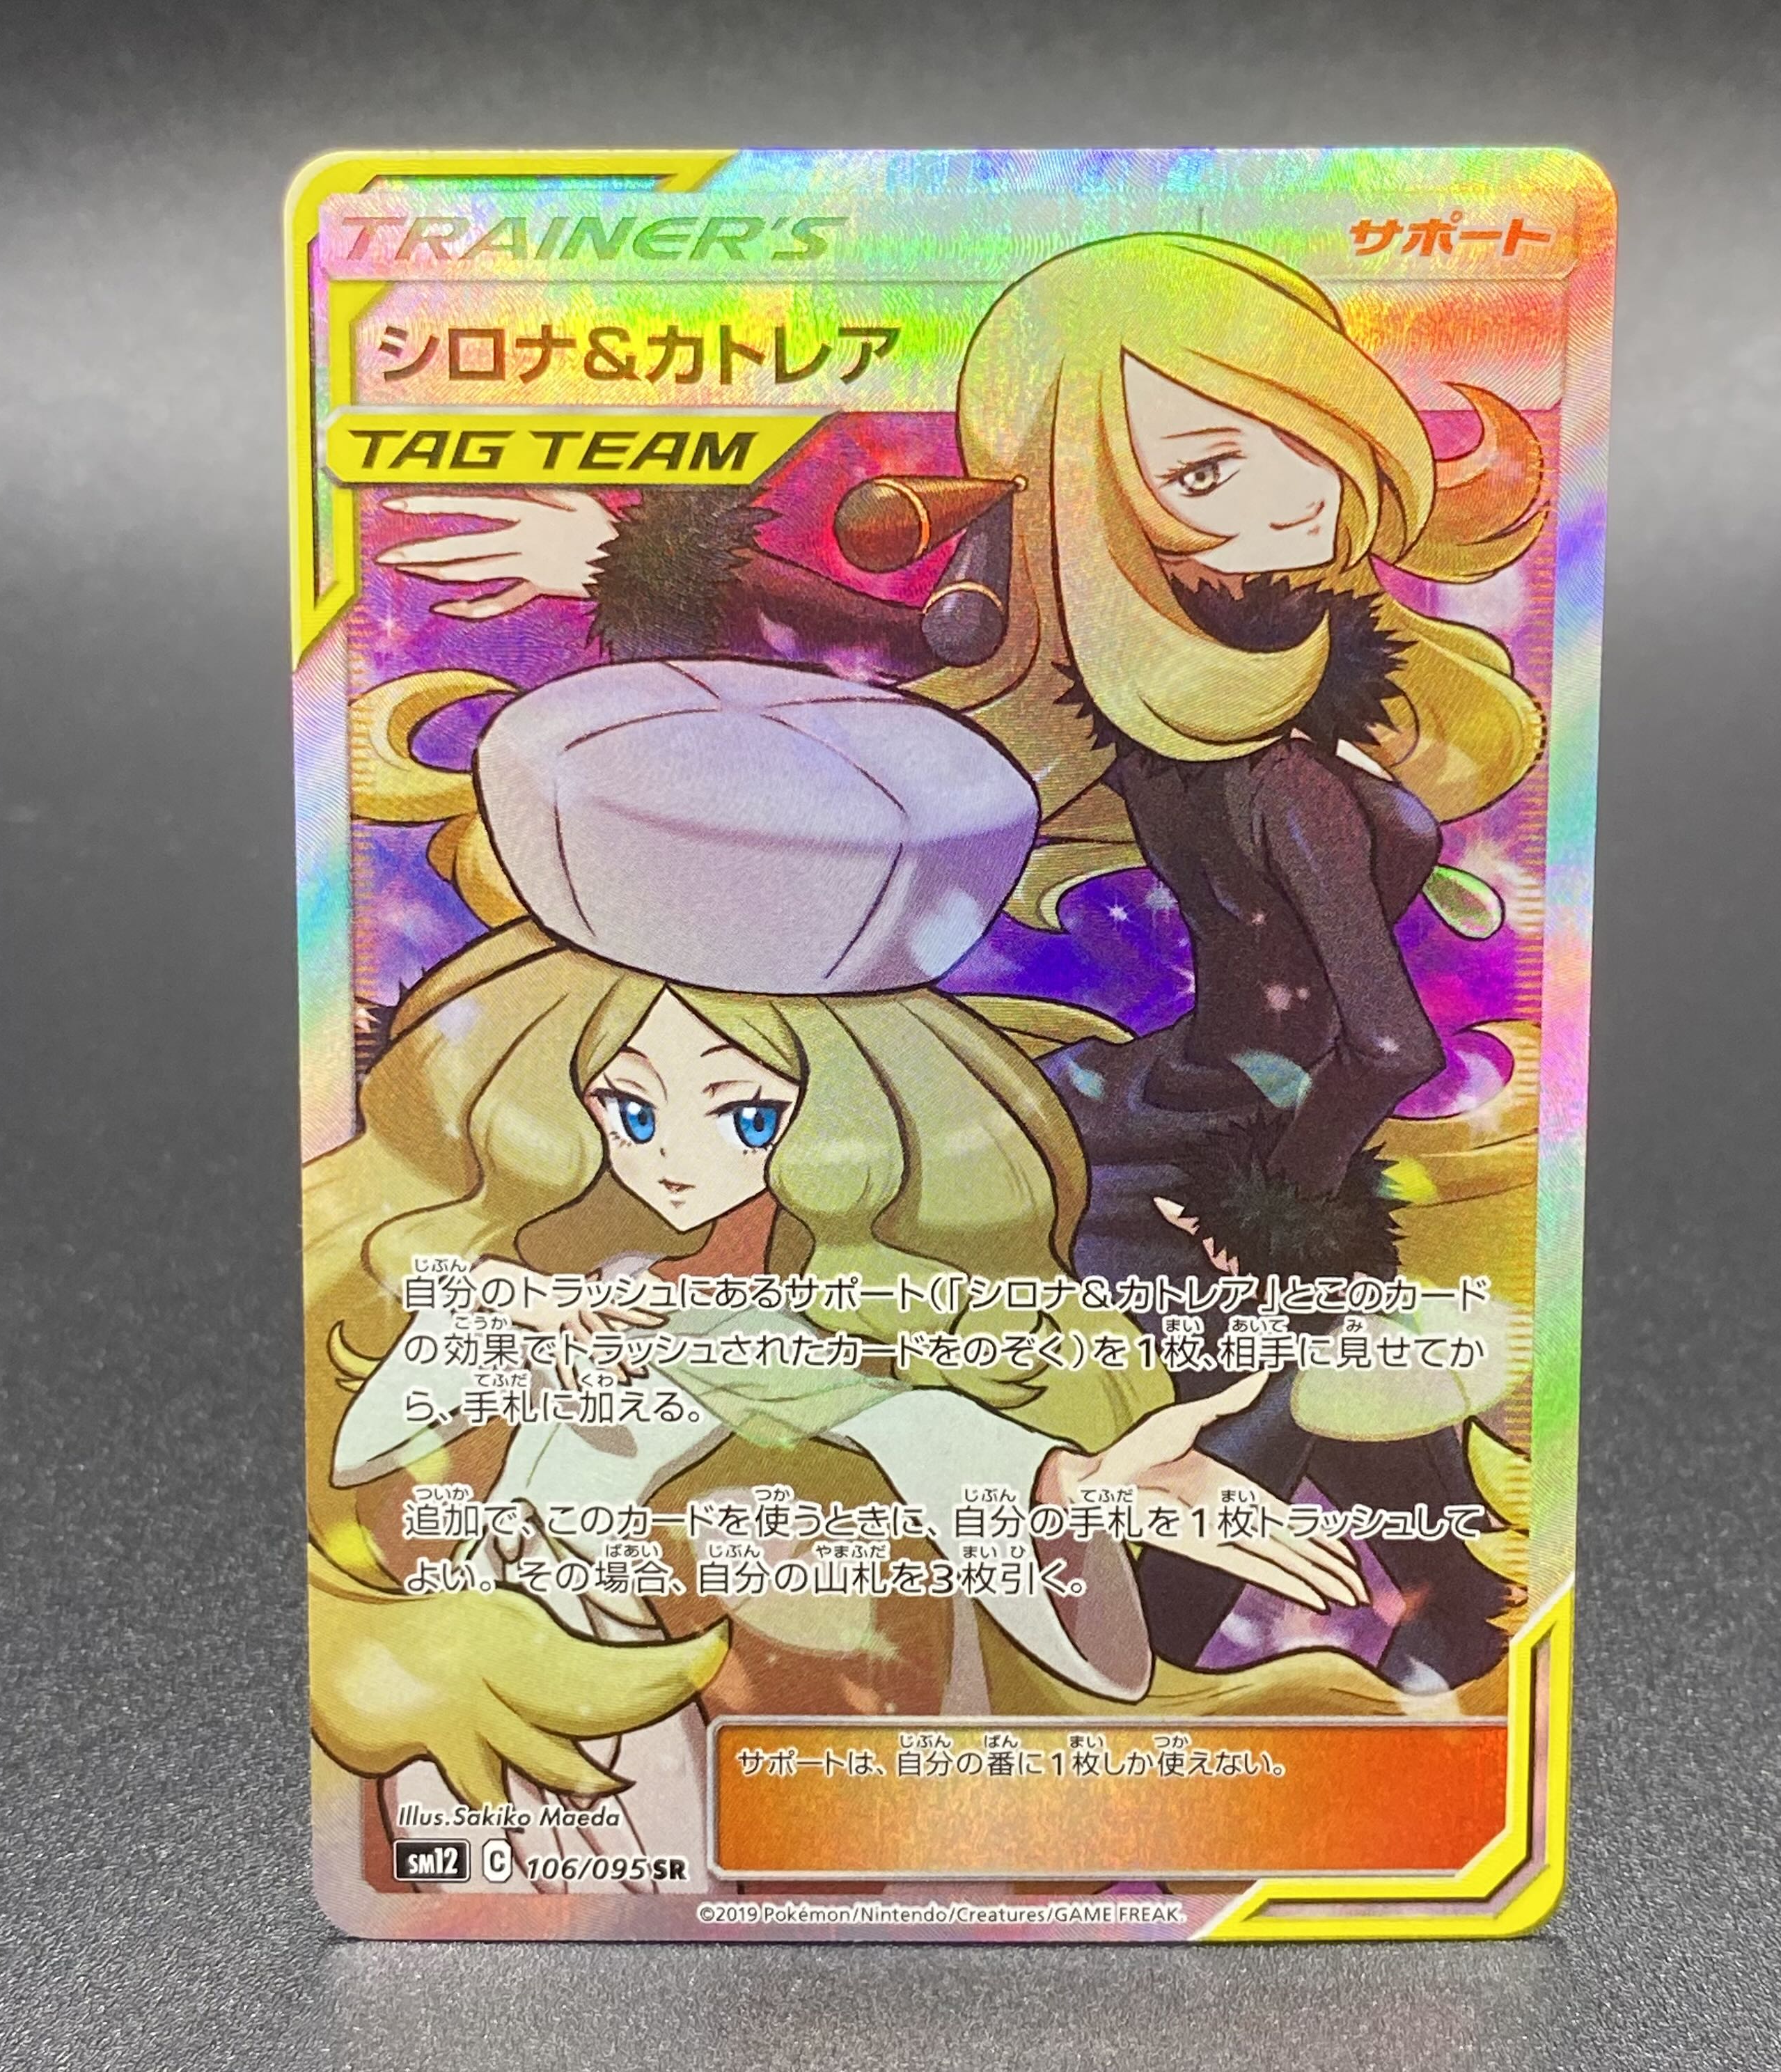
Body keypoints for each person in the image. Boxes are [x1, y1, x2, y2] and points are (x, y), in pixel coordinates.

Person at [371, 232, 1544, 1688]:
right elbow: (914, 633)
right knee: (1237, 1396)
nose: (1291, 492)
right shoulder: (1155, 693)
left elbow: (1391, 1046)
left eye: (1299, 435)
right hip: (1186, 1131)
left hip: (1243, 1149)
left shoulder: (1280, 755)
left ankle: (1396, 1630)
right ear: (1100, 505)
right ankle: (1354, 1631)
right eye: (1201, 472)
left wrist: (1285, 1211)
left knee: (1263, 1408)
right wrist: (622, 559)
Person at [311, 657, 1397, 1890]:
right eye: (629, 1108)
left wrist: (1078, 1485)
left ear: (857, 1119)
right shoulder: (538, 1272)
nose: (674, 1160)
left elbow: (889, 1412)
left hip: (695, 1747)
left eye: (747, 1116)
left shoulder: (809, 1315)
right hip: (512, 1727)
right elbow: (374, 1431)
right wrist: (511, 1318)